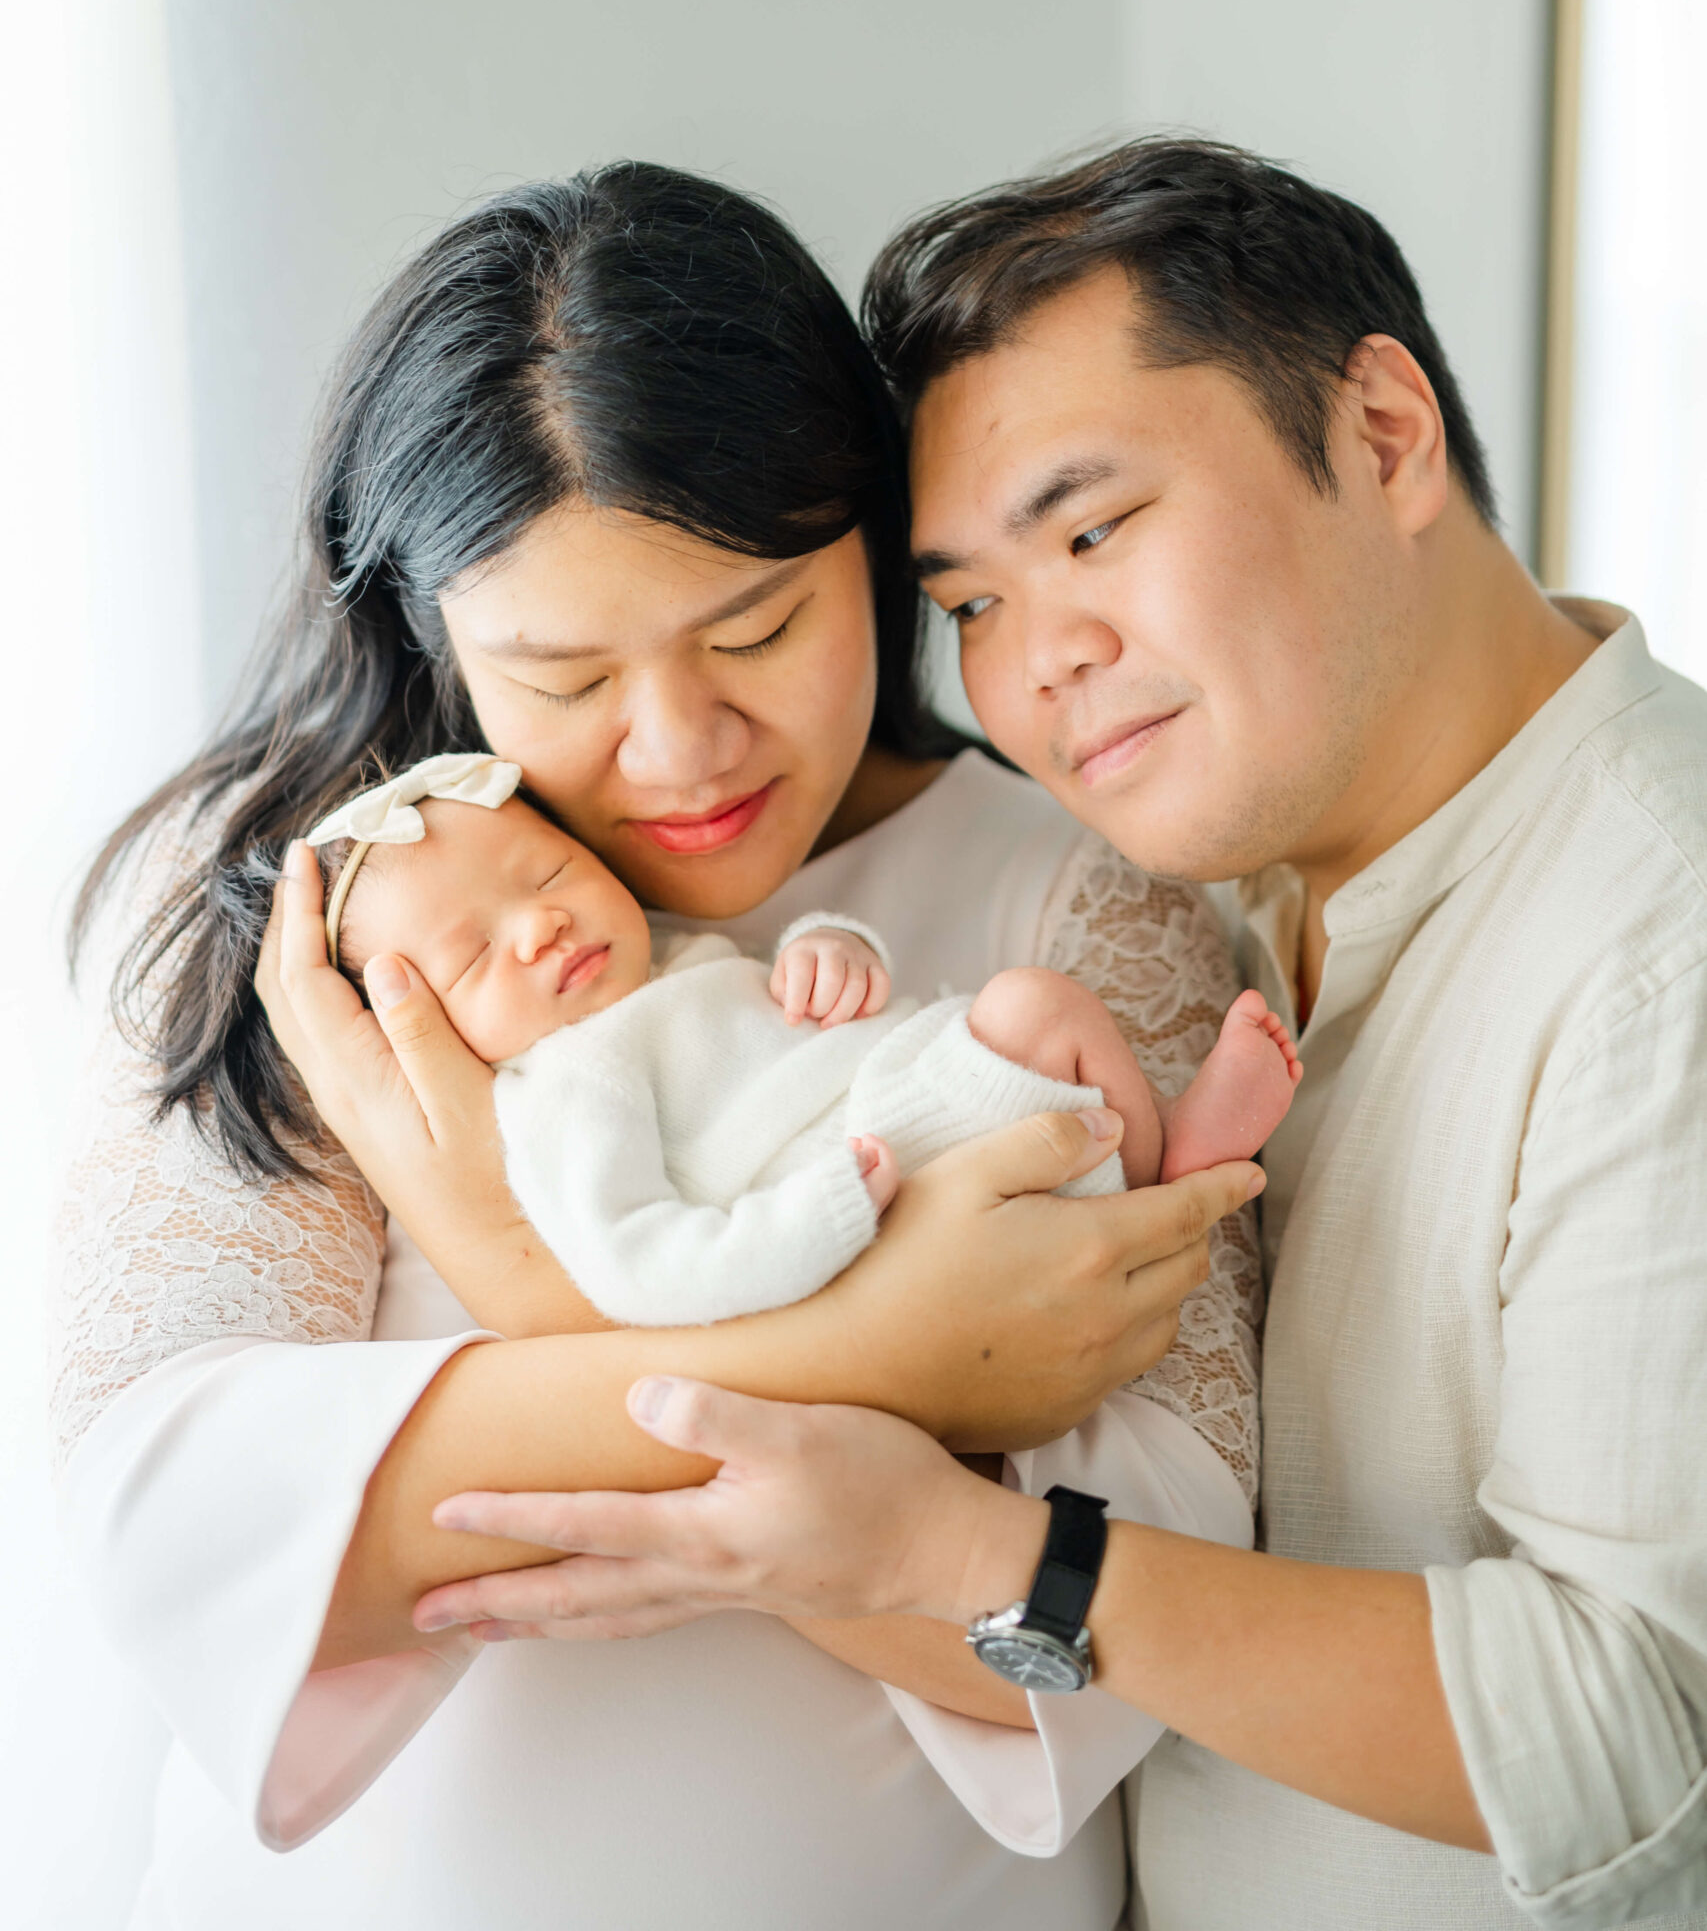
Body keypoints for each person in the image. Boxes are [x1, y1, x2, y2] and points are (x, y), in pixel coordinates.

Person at [417, 141, 1707, 1931]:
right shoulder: (1235, 886)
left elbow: (1643, 1735)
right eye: (969, 605)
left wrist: (975, 1555)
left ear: (1382, 433)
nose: (1036, 665)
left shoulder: (1657, 939)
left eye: (1090, 531)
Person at [52, 162, 1263, 1931]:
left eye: (755, 628)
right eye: (562, 677)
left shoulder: (1080, 903)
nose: (683, 747)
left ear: (875, 545)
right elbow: (184, 1518)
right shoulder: (333, 914)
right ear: (430, 630)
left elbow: (1134, 1619)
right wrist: (889, 1357)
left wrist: (520, 1290)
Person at [298, 753, 1299, 1325]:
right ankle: (1162, 1161)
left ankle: (1159, 1145)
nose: (539, 925)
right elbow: (635, 1259)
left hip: (892, 1098)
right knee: (1034, 1009)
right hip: (857, 1181)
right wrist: (814, 1216)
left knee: (1043, 1012)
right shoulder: (563, 1085)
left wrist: (830, 950)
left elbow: (781, 1014)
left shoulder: (668, 962)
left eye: (548, 873)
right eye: (474, 956)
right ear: (423, 1032)